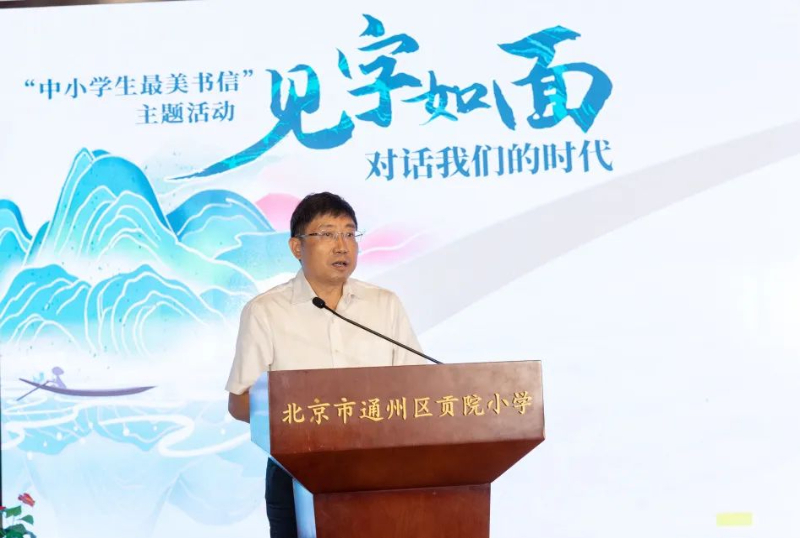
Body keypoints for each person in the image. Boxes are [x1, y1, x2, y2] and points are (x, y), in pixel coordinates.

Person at [225, 192, 427, 538]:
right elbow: (240, 402)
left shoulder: (384, 305)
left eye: (349, 234)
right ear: (297, 247)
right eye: (328, 234)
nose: (342, 246)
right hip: (295, 473)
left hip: (378, 470)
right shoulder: (266, 312)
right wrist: (301, 419)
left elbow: (418, 389)